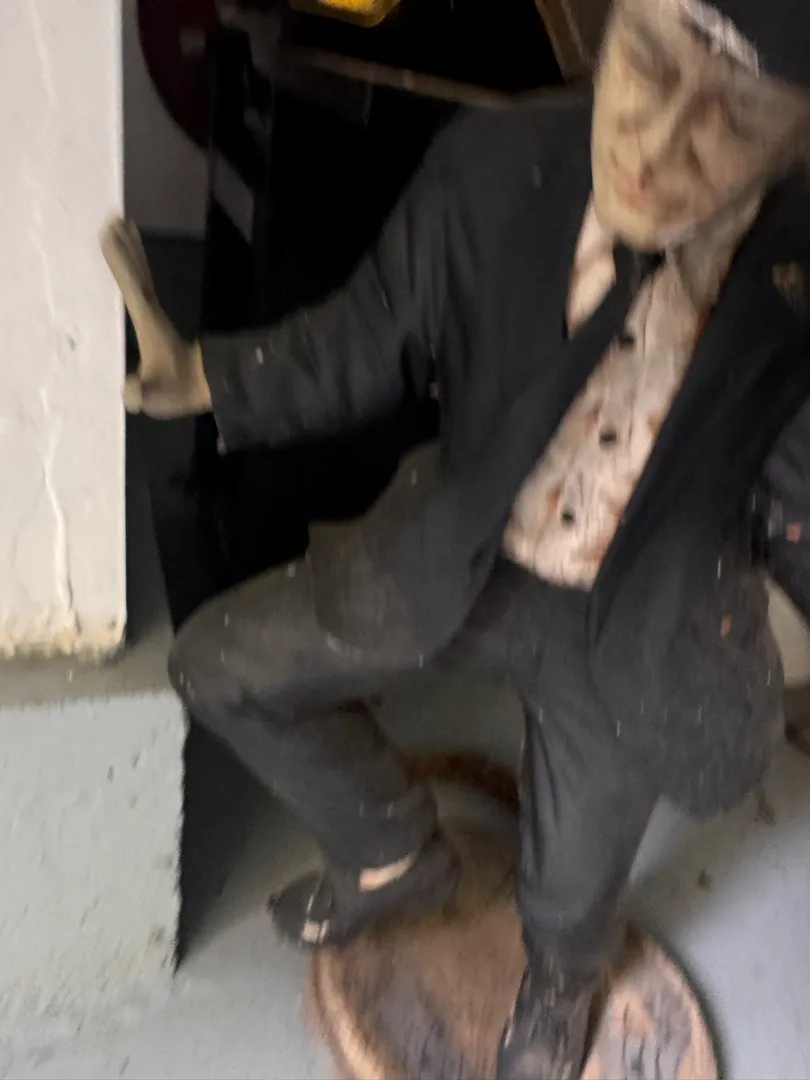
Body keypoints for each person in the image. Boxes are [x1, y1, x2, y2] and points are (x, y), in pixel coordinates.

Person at [102, 0, 810, 1075]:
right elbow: (366, 336)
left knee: (575, 885)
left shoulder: (797, 292)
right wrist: (205, 376)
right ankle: (390, 855)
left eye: (737, 118)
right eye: (649, 60)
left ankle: (561, 988)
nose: (660, 146)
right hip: (457, 551)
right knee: (224, 664)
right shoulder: (493, 168)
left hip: (638, 622)